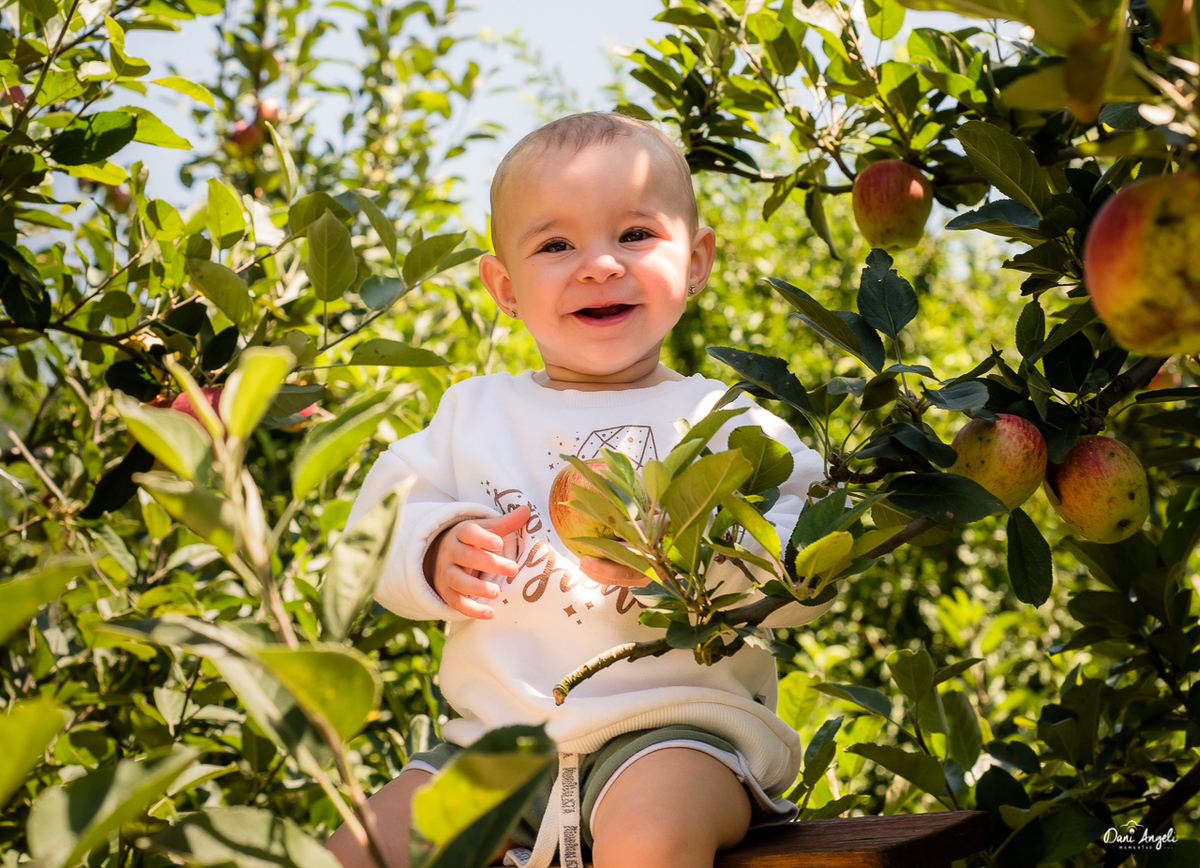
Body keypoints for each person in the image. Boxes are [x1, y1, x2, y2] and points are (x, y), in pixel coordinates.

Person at [325, 111, 832, 868]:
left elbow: (812, 564)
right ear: (504, 286)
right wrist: (433, 550)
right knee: (352, 852)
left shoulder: (726, 423)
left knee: (652, 836)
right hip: (493, 751)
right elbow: (377, 527)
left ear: (696, 261)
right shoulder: (474, 415)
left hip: (679, 734)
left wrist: (696, 550)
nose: (598, 265)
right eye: (556, 245)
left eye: (635, 234)